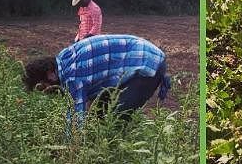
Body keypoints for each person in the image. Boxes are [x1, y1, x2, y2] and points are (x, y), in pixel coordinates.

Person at [23, 34, 170, 123]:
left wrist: (69, 152)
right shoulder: (62, 59)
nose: (46, 91)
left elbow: (76, 118)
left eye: (43, 86)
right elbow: (89, 99)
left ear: (50, 74)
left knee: (117, 117)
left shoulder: (72, 76)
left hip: (147, 61)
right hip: (133, 58)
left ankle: (117, 157)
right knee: (99, 114)